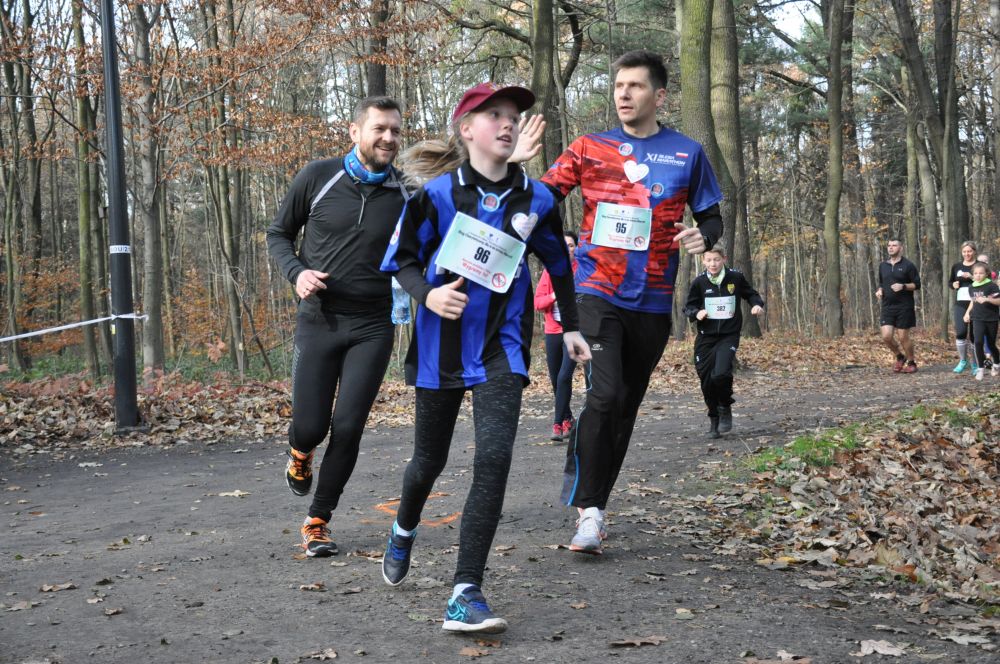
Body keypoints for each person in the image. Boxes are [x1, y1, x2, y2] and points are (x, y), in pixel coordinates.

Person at [378, 83, 590, 633]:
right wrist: (428, 295)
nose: (507, 123)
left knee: (493, 460)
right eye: (493, 114)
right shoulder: (437, 196)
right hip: (440, 347)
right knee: (428, 462)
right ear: (466, 129)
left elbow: (559, 266)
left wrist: (570, 326)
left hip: (503, 346)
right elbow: (400, 261)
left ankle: (465, 591)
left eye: (513, 115)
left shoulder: (538, 200)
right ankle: (404, 528)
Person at [537, 50, 723, 554]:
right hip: (595, 290)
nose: (623, 93)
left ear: (659, 96)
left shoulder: (686, 153)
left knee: (623, 404)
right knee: (603, 394)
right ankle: (588, 512)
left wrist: (704, 235)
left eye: (635, 86)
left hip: (653, 299)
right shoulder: (588, 147)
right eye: (619, 85)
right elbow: (542, 196)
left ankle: (596, 500)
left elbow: (711, 216)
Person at [266, 96, 409, 557]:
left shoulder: (406, 192)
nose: (389, 138)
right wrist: (297, 273)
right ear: (355, 132)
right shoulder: (317, 176)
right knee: (310, 427)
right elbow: (278, 234)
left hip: (373, 325)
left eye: (395, 130)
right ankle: (300, 454)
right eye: (379, 128)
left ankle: (318, 521)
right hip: (319, 319)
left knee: (348, 427)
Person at [683, 247, 764, 438]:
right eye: (709, 260)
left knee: (720, 373)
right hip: (705, 338)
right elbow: (688, 307)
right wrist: (697, 313)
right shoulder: (699, 282)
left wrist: (757, 304)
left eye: (717, 260)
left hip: (728, 335)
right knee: (706, 381)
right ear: (703, 261)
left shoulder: (735, 277)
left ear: (724, 259)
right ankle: (714, 422)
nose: (713, 264)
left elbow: (751, 294)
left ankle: (725, 406)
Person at [534, 231, 580, 441]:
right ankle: (568, 418)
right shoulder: (549, 272)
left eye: (571, 245)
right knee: (556, 380)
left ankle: (557, 423)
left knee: (564, 376)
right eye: (564, 245)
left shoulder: (583, 271)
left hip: (575, 332)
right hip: (553, 331)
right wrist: (555, 294)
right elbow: (538, 303)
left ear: (576, 248)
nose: (567, 249)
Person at [875, 239, 921, 373]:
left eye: (894, 245)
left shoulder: (908, 265)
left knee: (903, 337)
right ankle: (900, 357)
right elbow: (881, 283)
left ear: (901, 248)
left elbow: (917, 285)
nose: (891, 248)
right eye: (889, 245)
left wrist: (903, 286)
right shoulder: (883, 265)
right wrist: (879, 290)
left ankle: (911, 362)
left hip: (904, 306)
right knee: (886, 336)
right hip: (887, 306)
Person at [963, 262, 1000, 381]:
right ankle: (980, 369)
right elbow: (973, 301)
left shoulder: (991, 286)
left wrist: (987, 299)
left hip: (991, 319)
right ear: (973, 274)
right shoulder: (971, 287)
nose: (978, 275)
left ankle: (996, 364)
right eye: (975, 273)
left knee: (991, 344)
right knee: (978, 342)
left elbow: (998, 301)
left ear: (986, 274)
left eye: (981, 273)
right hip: (977, 318)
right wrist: (967, 313)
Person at [950, 242, 977, 374]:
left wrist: (971, 277)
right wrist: (953, 285)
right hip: (960, 302)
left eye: (969, 251)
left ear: (974, 251)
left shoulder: (980, 265)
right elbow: (950, 282)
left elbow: (987, 282)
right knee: (960, 332)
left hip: (976, 302)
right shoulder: (956, 266)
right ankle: (963, 360)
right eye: (964, 252)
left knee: (974, 335)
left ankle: (975, 363)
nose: (967, 254)